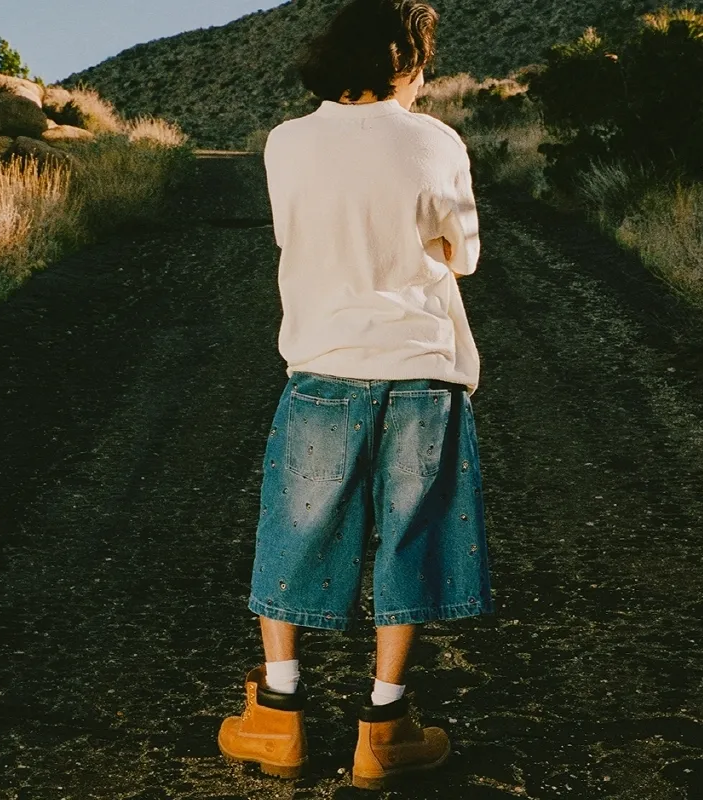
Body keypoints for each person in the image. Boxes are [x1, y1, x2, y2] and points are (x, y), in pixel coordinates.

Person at [217, 0, 493, 790]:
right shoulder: (437, 142)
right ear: (409, 58)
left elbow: (295, 236)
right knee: (408, 543)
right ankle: (384, 727)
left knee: (295, 533)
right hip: (421, 368)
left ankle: (277, 718)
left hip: (323, 366)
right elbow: (462, 254)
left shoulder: (287, 143)